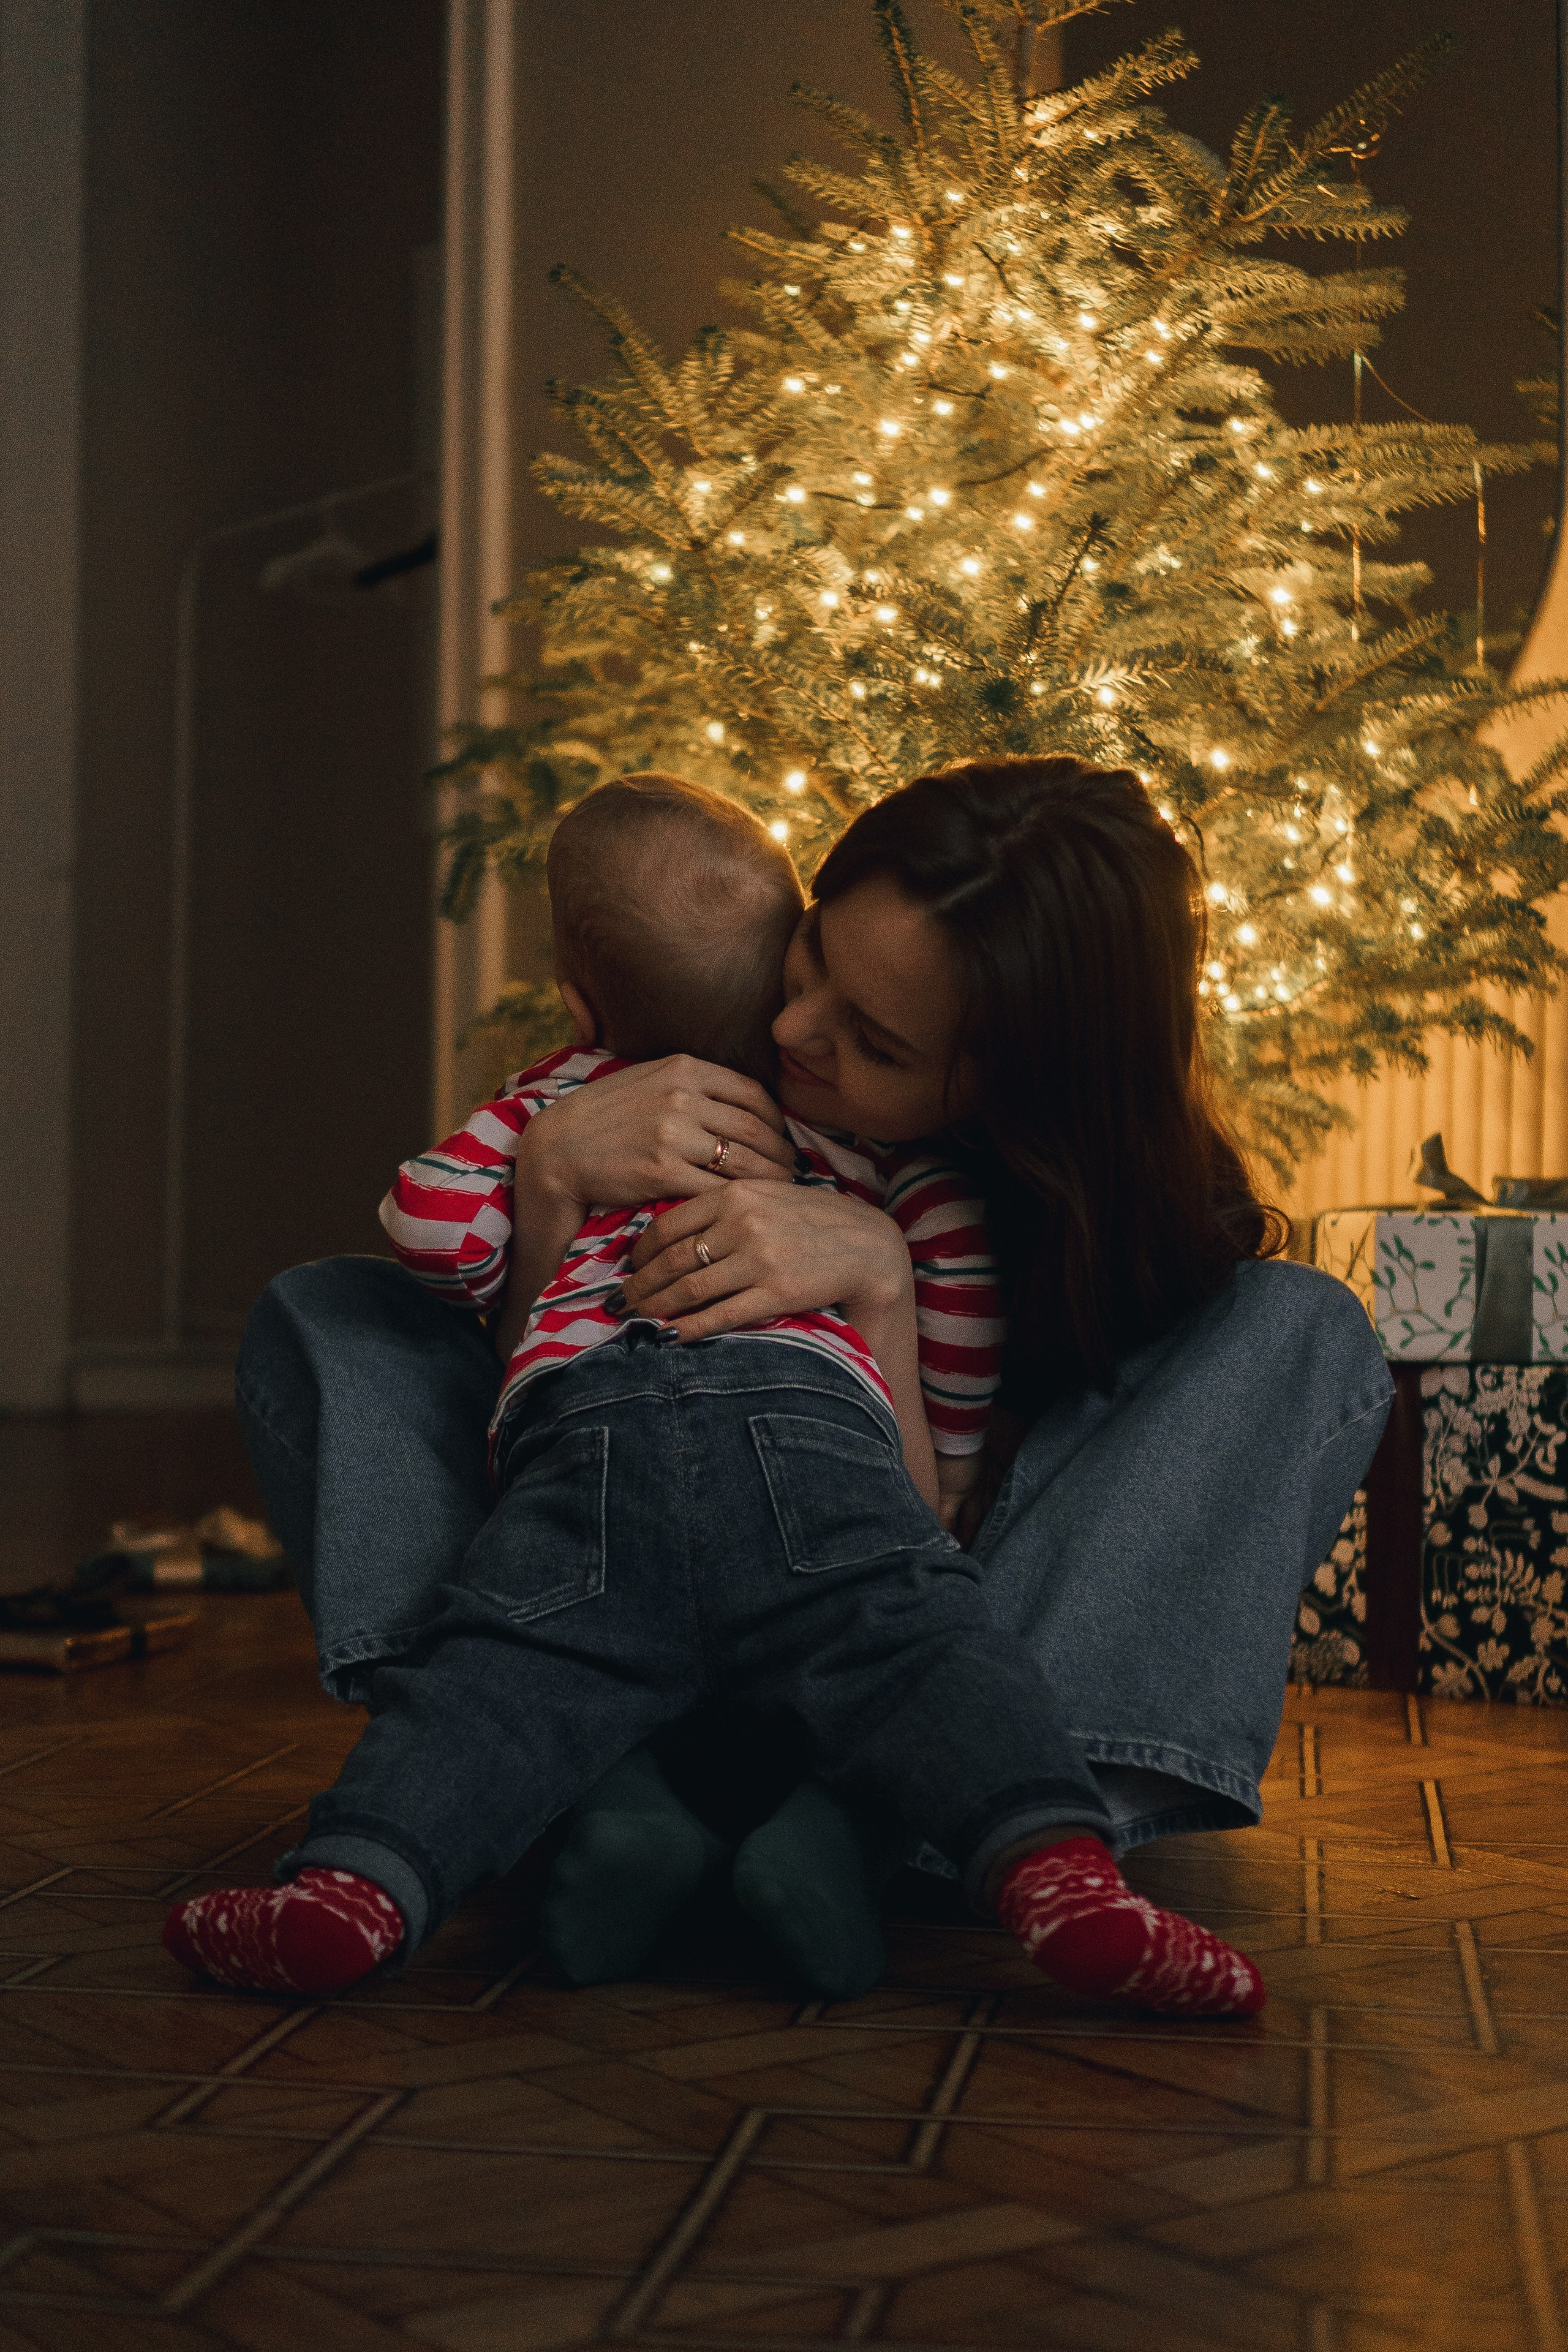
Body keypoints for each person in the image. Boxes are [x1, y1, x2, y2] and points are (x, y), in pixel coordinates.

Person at [220, 754, 1393, 2003]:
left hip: (899, 1644)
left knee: (1297, 1326)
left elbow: (935, 1524)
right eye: (810, 957)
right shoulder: (662, 1076)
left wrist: (882, 1284)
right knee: (328, 1311)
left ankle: (904, 1823)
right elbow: (543, 1401)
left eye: (872, 1040)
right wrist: (553, 1186)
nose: (788, 1031)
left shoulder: (1022, 1223)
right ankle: (547, 1785)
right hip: (576, 1598)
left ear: (1013, 1088)